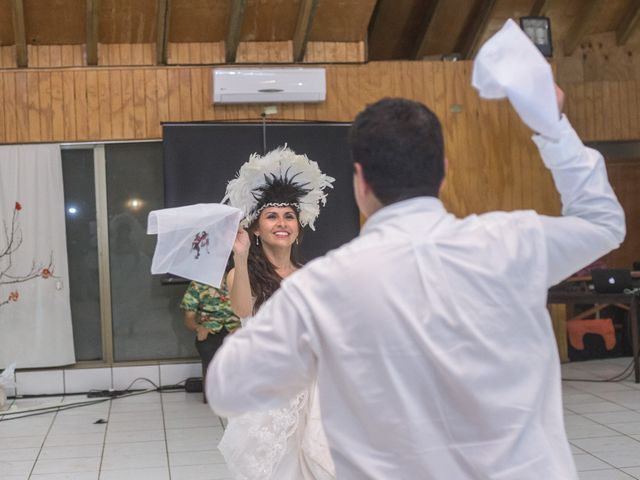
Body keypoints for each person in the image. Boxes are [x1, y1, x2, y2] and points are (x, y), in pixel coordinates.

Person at [206, 90, 625, 479]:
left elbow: (228, 387)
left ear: (360, 182)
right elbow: (603, 223)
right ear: (443, 172)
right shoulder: (510, 244)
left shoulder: (324, 286)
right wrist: (551, 125)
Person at [217, 146, 336, 480]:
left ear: (298, 225)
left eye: (288, 216)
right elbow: (241, 309)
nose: (282, 223)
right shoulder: (244, 273)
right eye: (272, 216)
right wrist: (239, 257)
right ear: (256, 229)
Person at [180, 279, 239, 402]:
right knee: (208, 348)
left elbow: (256, 309)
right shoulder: (197, 285)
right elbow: (188, 319)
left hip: (237, 329)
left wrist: (243, 327)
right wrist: (199, 327)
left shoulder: (240, 279)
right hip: (210, 330)